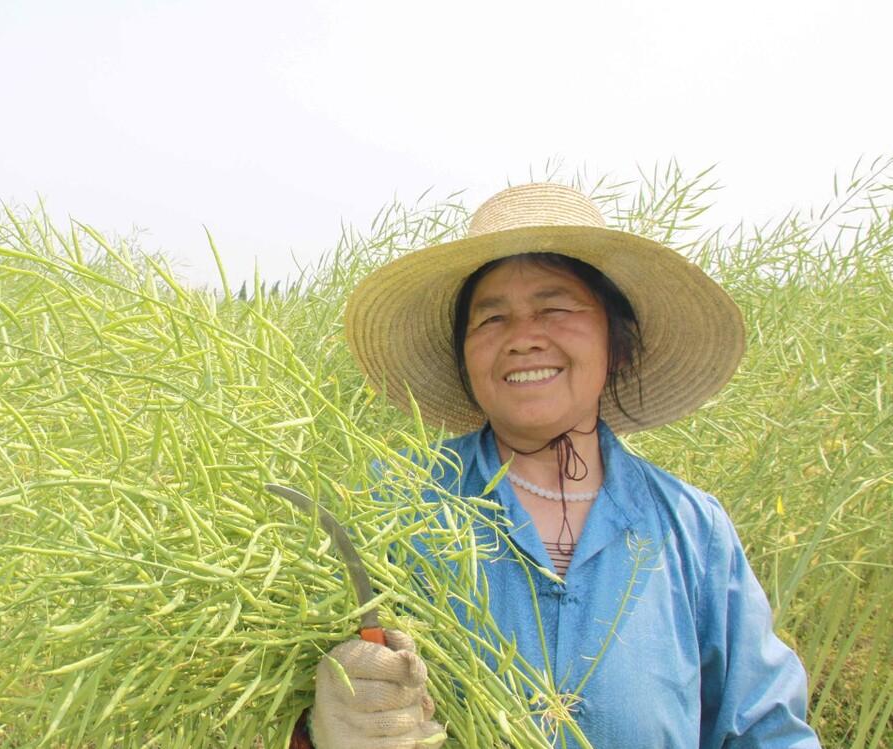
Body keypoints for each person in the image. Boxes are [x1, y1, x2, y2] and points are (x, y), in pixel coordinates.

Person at [293, 184, 821, 748]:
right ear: (464, 355)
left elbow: (766, 730)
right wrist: (322, 730)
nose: (522, 338)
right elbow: (284, 698)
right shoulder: (389, 506)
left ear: (616, 343)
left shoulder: (692, 530)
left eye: (555, 308)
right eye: (490, 319)